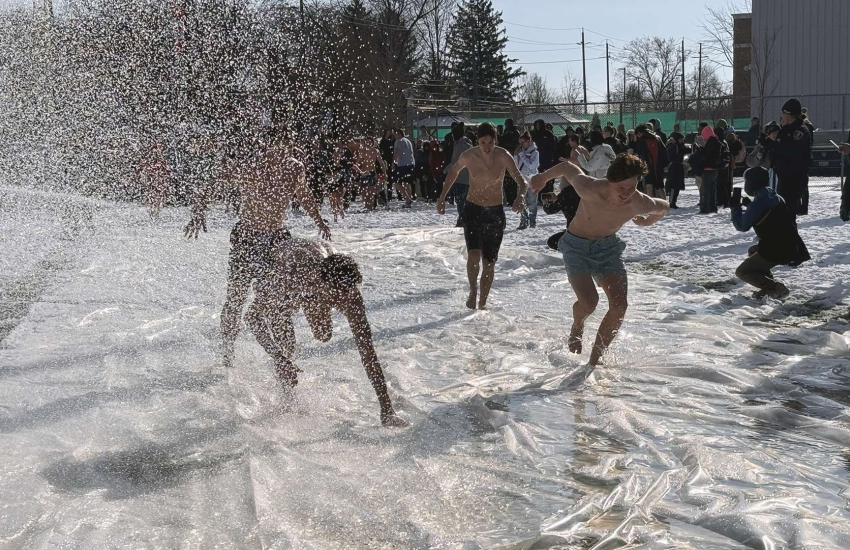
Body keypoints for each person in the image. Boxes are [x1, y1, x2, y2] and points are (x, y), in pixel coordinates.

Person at [184, 125, 332, 369]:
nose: (276, 155)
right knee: (236, 297)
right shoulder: (249, 166)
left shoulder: (295, 168)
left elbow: (303, 194)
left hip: (277, 240)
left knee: (278, 300)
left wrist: (318, 220)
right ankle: (228, 351)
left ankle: (286, 359)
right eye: (272, 149)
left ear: (288, 147)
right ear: (264, 147)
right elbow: (212, 185)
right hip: (246, 237)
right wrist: (197, 213)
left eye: (283, 149)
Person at [247, 239, 407, 427]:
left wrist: (386, 409)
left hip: (318, 275)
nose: (342, 302)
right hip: (277, 263)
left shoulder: (351, 295)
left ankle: (311, 304)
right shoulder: (291, 278)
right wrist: (278, 357)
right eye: (337, 296)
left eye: (346, 294)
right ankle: (287, 400)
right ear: (321, 283)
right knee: (286, 344)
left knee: (323, 335)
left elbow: (368, 353)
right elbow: (252, 317)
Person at [530, 154, 669, 366]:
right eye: (621, 188)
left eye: (631, 187)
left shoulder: (639, 201)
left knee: (619, 306)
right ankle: (577, 324)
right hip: (576, 248)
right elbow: (568, 168)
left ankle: (594, 362)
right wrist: (542, 178)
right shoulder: (590, 188)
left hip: (608, 250)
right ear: (610, 180)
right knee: (589, 303)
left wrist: (648, 221)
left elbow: (663, 206)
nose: (626, 194)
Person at [438, 122, 528, 310]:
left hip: (495, 213)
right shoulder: (469, 156)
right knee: (473, 255)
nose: (487, 147)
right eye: (482, 142)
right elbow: (452, 174)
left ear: (496, 140)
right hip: (473, 210)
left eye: (490, 143)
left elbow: (521, 180)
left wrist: (520, 195)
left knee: (489, 262)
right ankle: (473, 291)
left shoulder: (503, 156)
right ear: (477, 141)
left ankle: (483, 301)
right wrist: (442, 197)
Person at [731, 167, 810, 300]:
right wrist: (749, 204)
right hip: (791, 245)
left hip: (776, 249)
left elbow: (742, 226)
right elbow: (768, 214)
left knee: (742, 271)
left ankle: (775, 288)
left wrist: (735, 207)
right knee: (753, 251)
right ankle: (768, 289)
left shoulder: (759, 203)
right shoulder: (774, 195)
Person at [767, 98, 811, 218]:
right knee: (783, 213)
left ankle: (789, 236)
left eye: (783, 114)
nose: (781, 116)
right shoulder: (786, 130)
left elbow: (790, 152)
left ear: (789, 115)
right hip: (784, 177)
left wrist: (776, 143)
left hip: (794, 178)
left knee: (787, 214)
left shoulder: (799, 131)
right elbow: (775, 152)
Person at [351, 132, 388, 212]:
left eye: (370, 142)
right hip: (364, 172)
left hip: (371, 172)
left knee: (370, 191)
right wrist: (357, 173)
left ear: (372, 142)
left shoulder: (375, 151)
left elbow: (381, 162)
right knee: (364, 191)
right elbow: (358, 162)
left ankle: (370, 207)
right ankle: (366, 205)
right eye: (367, 141)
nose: (368, 143)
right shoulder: (362, 151)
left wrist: (384, 173)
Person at [445, 122, 473, 227]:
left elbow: (456, 161)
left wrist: (446, 170)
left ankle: (462, 219)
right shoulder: (467, 143)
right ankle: (465, 218)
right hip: (467, 176)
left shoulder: (460, 145)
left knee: (461, 199)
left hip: (461, 176)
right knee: (464, 199)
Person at [634, 124, 669, 198]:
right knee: (660, 186)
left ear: (639, 133)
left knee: (649, 185)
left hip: (648, 166)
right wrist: (664, 164)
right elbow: (664, 151)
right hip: (658, 165)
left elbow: (641, 155)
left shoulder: (641, 140)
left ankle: (650, 204)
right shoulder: (657, 137)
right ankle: (665, 203)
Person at [515, 130, 540, 230]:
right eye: (520, 143)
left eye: (523, 142)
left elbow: (531, 165)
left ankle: (532, 221)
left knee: (532, 203)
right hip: (522, 181)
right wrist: (516, 156)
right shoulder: (521, 153)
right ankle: (523, 221)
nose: (521, 145)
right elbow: (516, 166)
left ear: (529, 141)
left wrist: (521, 155)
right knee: (522, 201)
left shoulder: (535, 153)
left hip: (532, 180)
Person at [696, 126, 724, 214]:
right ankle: (713, 207)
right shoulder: (716, 141)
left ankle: (705, 208)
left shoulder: (710, 143)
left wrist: (701, 152)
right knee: (713, 188)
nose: (703, 137)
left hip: (708, 168)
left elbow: (708, 156)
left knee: (705, 189)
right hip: (715, 168)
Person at [392, 128, 416, 208]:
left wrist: (393, 162)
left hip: (402, 164)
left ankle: (407, 199)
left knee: (397, 182)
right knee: (406, 183)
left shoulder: (398, 141)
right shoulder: (408, 141)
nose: (394, 136)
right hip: (411, 163)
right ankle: (408, 200)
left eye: (395, 134)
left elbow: (396, 151)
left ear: (399, 133)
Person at [665, 132, 687, 209]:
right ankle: (671, 202)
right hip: (674, 168)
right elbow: (670, 158)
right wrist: (680, 161)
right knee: (673, 186)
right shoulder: (673, 146)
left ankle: (673, 201)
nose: (682, 140)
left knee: (677, 186)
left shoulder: (680, 146)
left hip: (679, 168)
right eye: (681, 139)